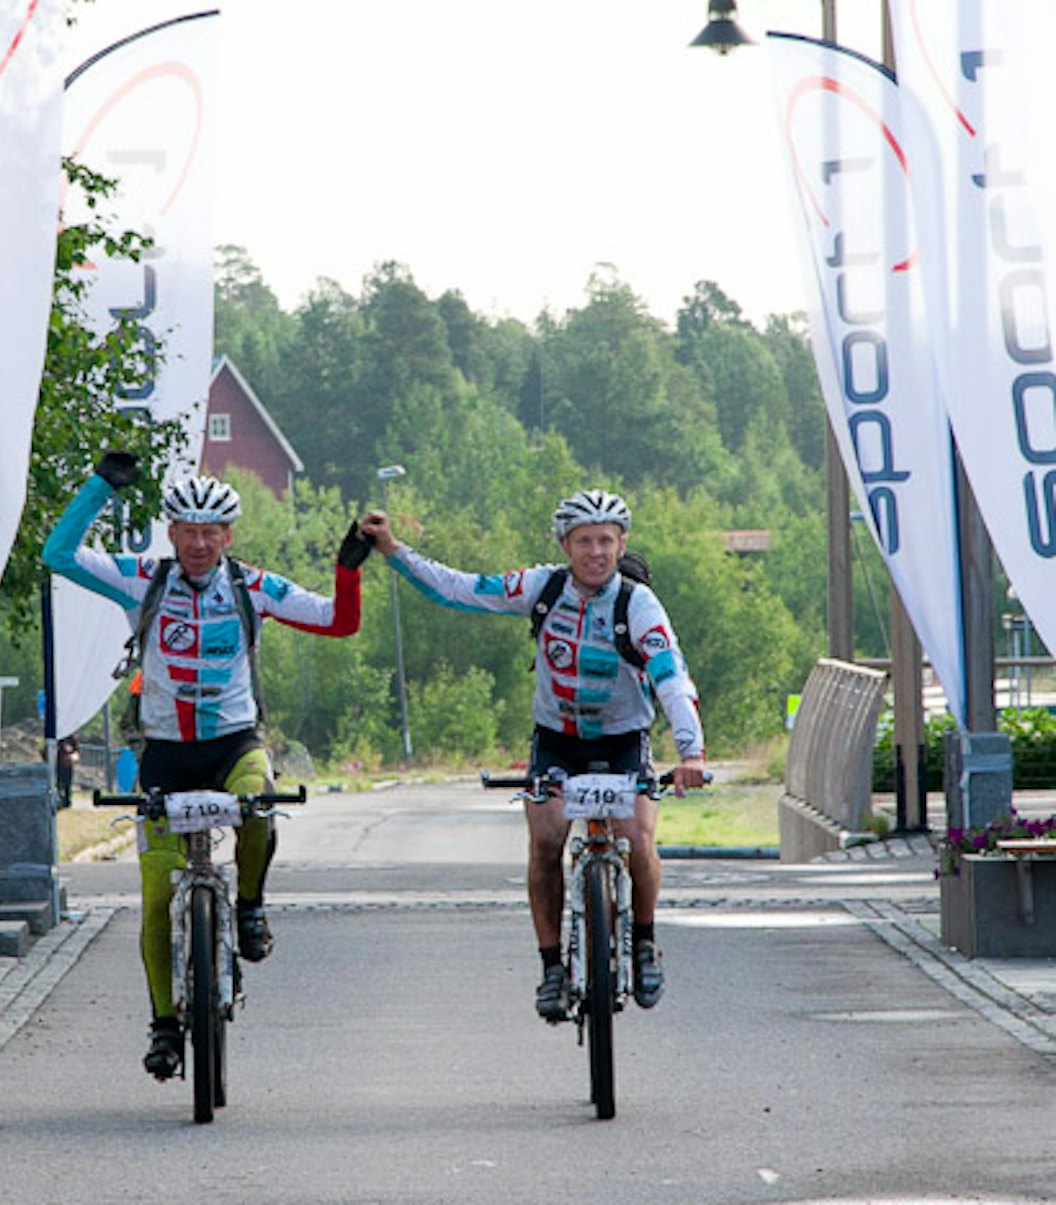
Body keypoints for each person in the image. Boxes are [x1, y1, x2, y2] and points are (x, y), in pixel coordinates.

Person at [44, 452, 372, 1079]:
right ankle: (165, 1025)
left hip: (233, 743)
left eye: (210, 533)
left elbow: (339, 620)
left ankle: (249, 903)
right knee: (152, 896)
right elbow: (58, 556)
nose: (198, 543)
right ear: (170, 532)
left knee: (260, 805)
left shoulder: (254, 587)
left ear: (228, 536)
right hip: (163, 752)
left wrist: (347, 568)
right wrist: (98, 489)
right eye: (187, 531)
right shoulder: (145, 577)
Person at [360, 489, 706, 1020]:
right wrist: (393, 551)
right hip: (557, 740)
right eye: (585, 542)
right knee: (545, 841)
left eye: (607, 542)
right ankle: (551, 968)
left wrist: (691, 752)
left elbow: (670, 675)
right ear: (565, 545)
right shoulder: (540, 587)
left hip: (622, 739)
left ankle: (643, 942)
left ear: (622, 544)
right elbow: (459, 590)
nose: (596, 553)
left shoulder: (637, 603)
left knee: (637, 837)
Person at [55, 734, 79, 808]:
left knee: (67, 783)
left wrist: (72, 754)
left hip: (68, 764)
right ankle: (60, 799)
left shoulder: (71, 737)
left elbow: (76, 749)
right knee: (59, 782)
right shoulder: (58, 736)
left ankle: (67, 801)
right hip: (59, 763)